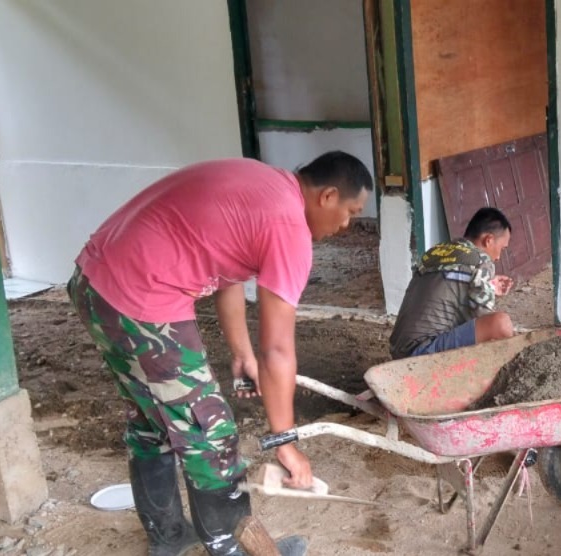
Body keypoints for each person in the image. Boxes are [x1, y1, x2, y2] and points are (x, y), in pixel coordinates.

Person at [68, 151, 372, 556]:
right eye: (351, 211)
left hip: (96, 282)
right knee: (210, 433)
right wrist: (284, 441)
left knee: (151, 418)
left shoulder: (262, 184)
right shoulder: (288, 226)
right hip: (143, 300)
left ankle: (169, 538)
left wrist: (240, 353)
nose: (347, 225)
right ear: (328, 196)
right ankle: (231, 548)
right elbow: (278, 349)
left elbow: (227, 271)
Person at [390, 207, 515, 359]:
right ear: (488, 240)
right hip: (422, 353)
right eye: (502, 248)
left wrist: (488, 286)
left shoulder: (437, 252)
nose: (499, 257)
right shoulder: (481, 261)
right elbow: (484, 320)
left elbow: (449, 289)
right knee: (501, 324)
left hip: (399, 349)